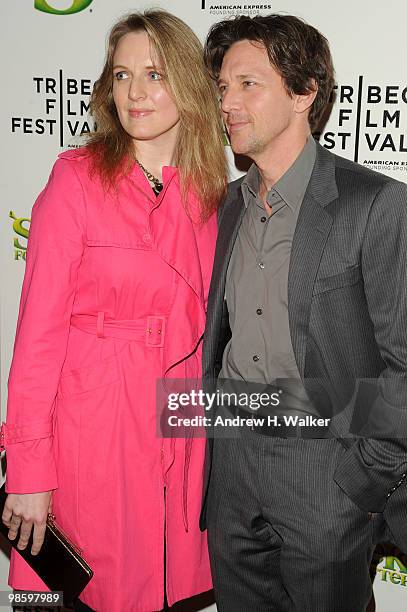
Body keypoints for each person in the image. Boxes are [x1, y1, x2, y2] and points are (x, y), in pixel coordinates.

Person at [1, 10, 227, 612]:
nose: (135, 92)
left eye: (154, 74)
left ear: (187, 82)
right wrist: (27, 473)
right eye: (122, 75)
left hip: (179, 424)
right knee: (95, 591)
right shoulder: (76, 179)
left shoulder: (212, 193)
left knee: (166, 590)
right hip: (94, 429)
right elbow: (37, 339)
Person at [200, 13, 407, 612]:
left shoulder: (374, 205)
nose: (228, 103)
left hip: (325, 467)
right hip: (233, 463)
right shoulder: (226, 209)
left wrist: (360, 482)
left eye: (248, 84)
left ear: (304, 92)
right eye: (222, 88)